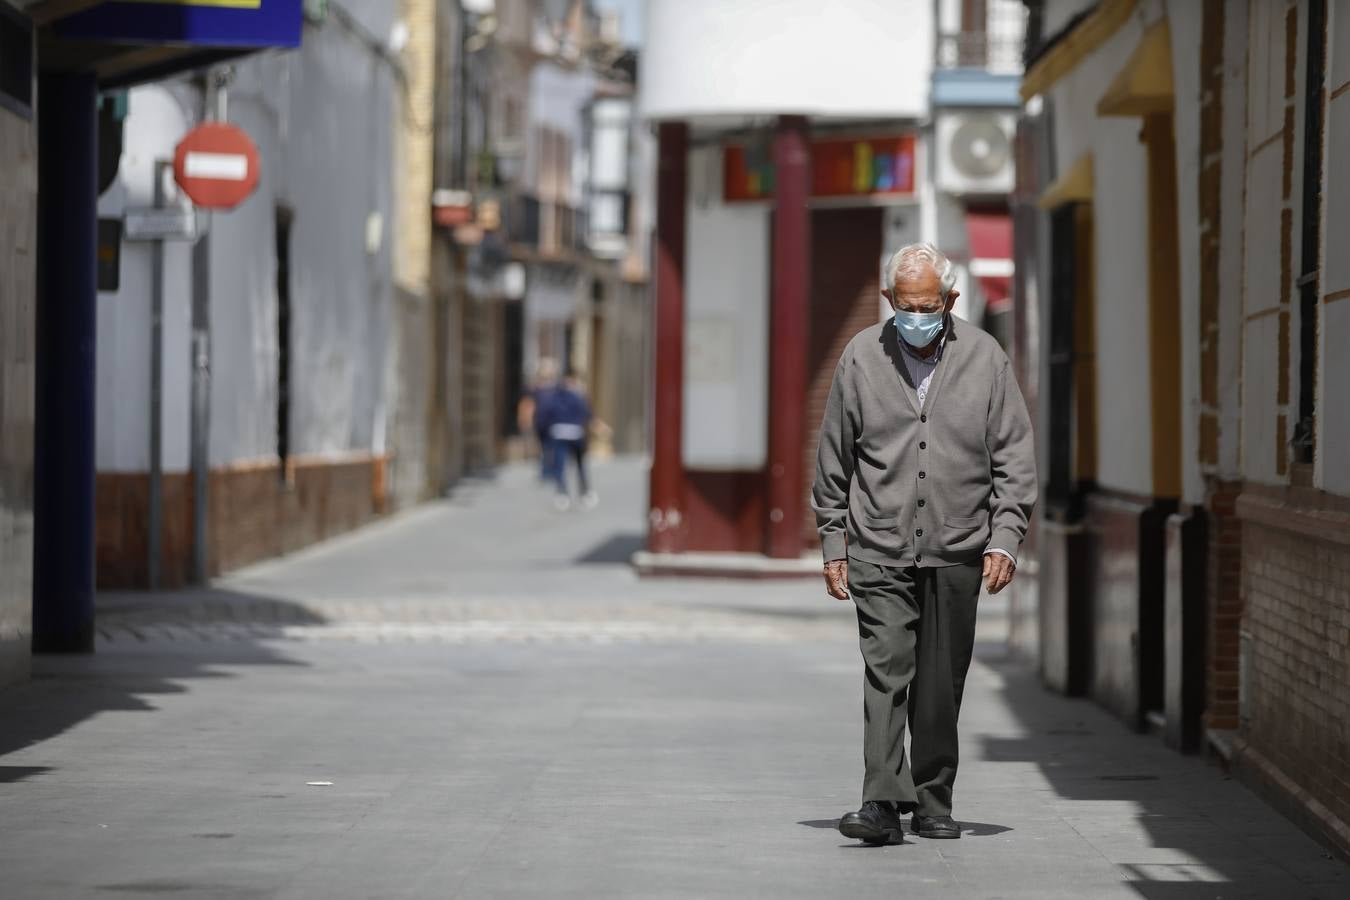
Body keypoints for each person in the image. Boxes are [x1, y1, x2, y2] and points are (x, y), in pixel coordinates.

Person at [812, 242, 1036, 845]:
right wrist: (834, 541)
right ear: (889, 300)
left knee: (941, 683)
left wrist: (1006, 537)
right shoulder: (860, 357)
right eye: (906, 306)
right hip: (877, 545)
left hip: (959, 545)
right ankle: (881, 803)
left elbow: (1014, 458)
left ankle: (934, 798)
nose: (916, 316)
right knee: (886, 671)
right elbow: (834, 457)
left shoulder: (987, 358)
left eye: (928, 306)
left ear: (951, 301)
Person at [541, 369, 598, 511]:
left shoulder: (553, 396)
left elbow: (546, 416)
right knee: (580, 464)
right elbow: (587, 414)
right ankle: (585, 493)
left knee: (560, 465)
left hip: (558, 433)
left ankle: (562, 494)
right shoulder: (579, 396)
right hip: (576, 433)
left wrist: (545, 434)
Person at [518, 359, 560, 483]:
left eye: (549, 370)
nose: (547, 373)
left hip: (555, 422)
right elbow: (528, 404)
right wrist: (526, 419)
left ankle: (554, 470)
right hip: (541, 422)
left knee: (554, 447)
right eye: (545, 370)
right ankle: (545, 471)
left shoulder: (557, 388)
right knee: (543, 447)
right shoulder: (535, 389)